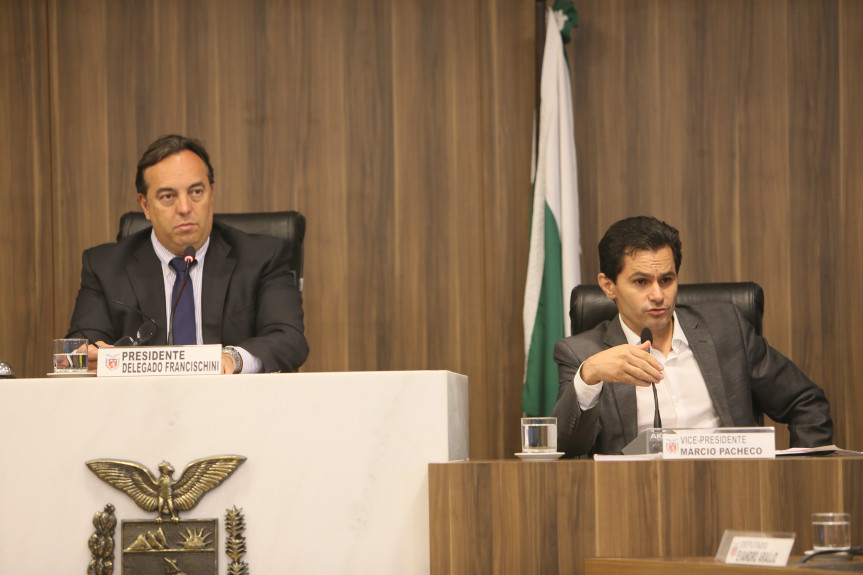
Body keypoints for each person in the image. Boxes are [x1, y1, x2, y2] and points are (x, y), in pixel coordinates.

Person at [550, 216, 832, 457]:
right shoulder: (582, 355)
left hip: (734, 489)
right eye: (641, 282)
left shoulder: (726, 329)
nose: (658, 295)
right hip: (636, 496)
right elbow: (564, 449)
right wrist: (590, 376)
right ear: (608, 286)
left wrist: (800, 476)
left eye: (666, 280)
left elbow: (806, 402)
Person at [66, 134, 308, 374]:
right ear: (145, 205)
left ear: (211, 193)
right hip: (142, 398)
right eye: (168, 196)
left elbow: (289, 339)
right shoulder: (105, 267)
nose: (184, 208)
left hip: (233, 396)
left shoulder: (262, 257)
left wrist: (232, 359)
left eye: (196, 192)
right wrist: (92, 357)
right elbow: (76, 353)